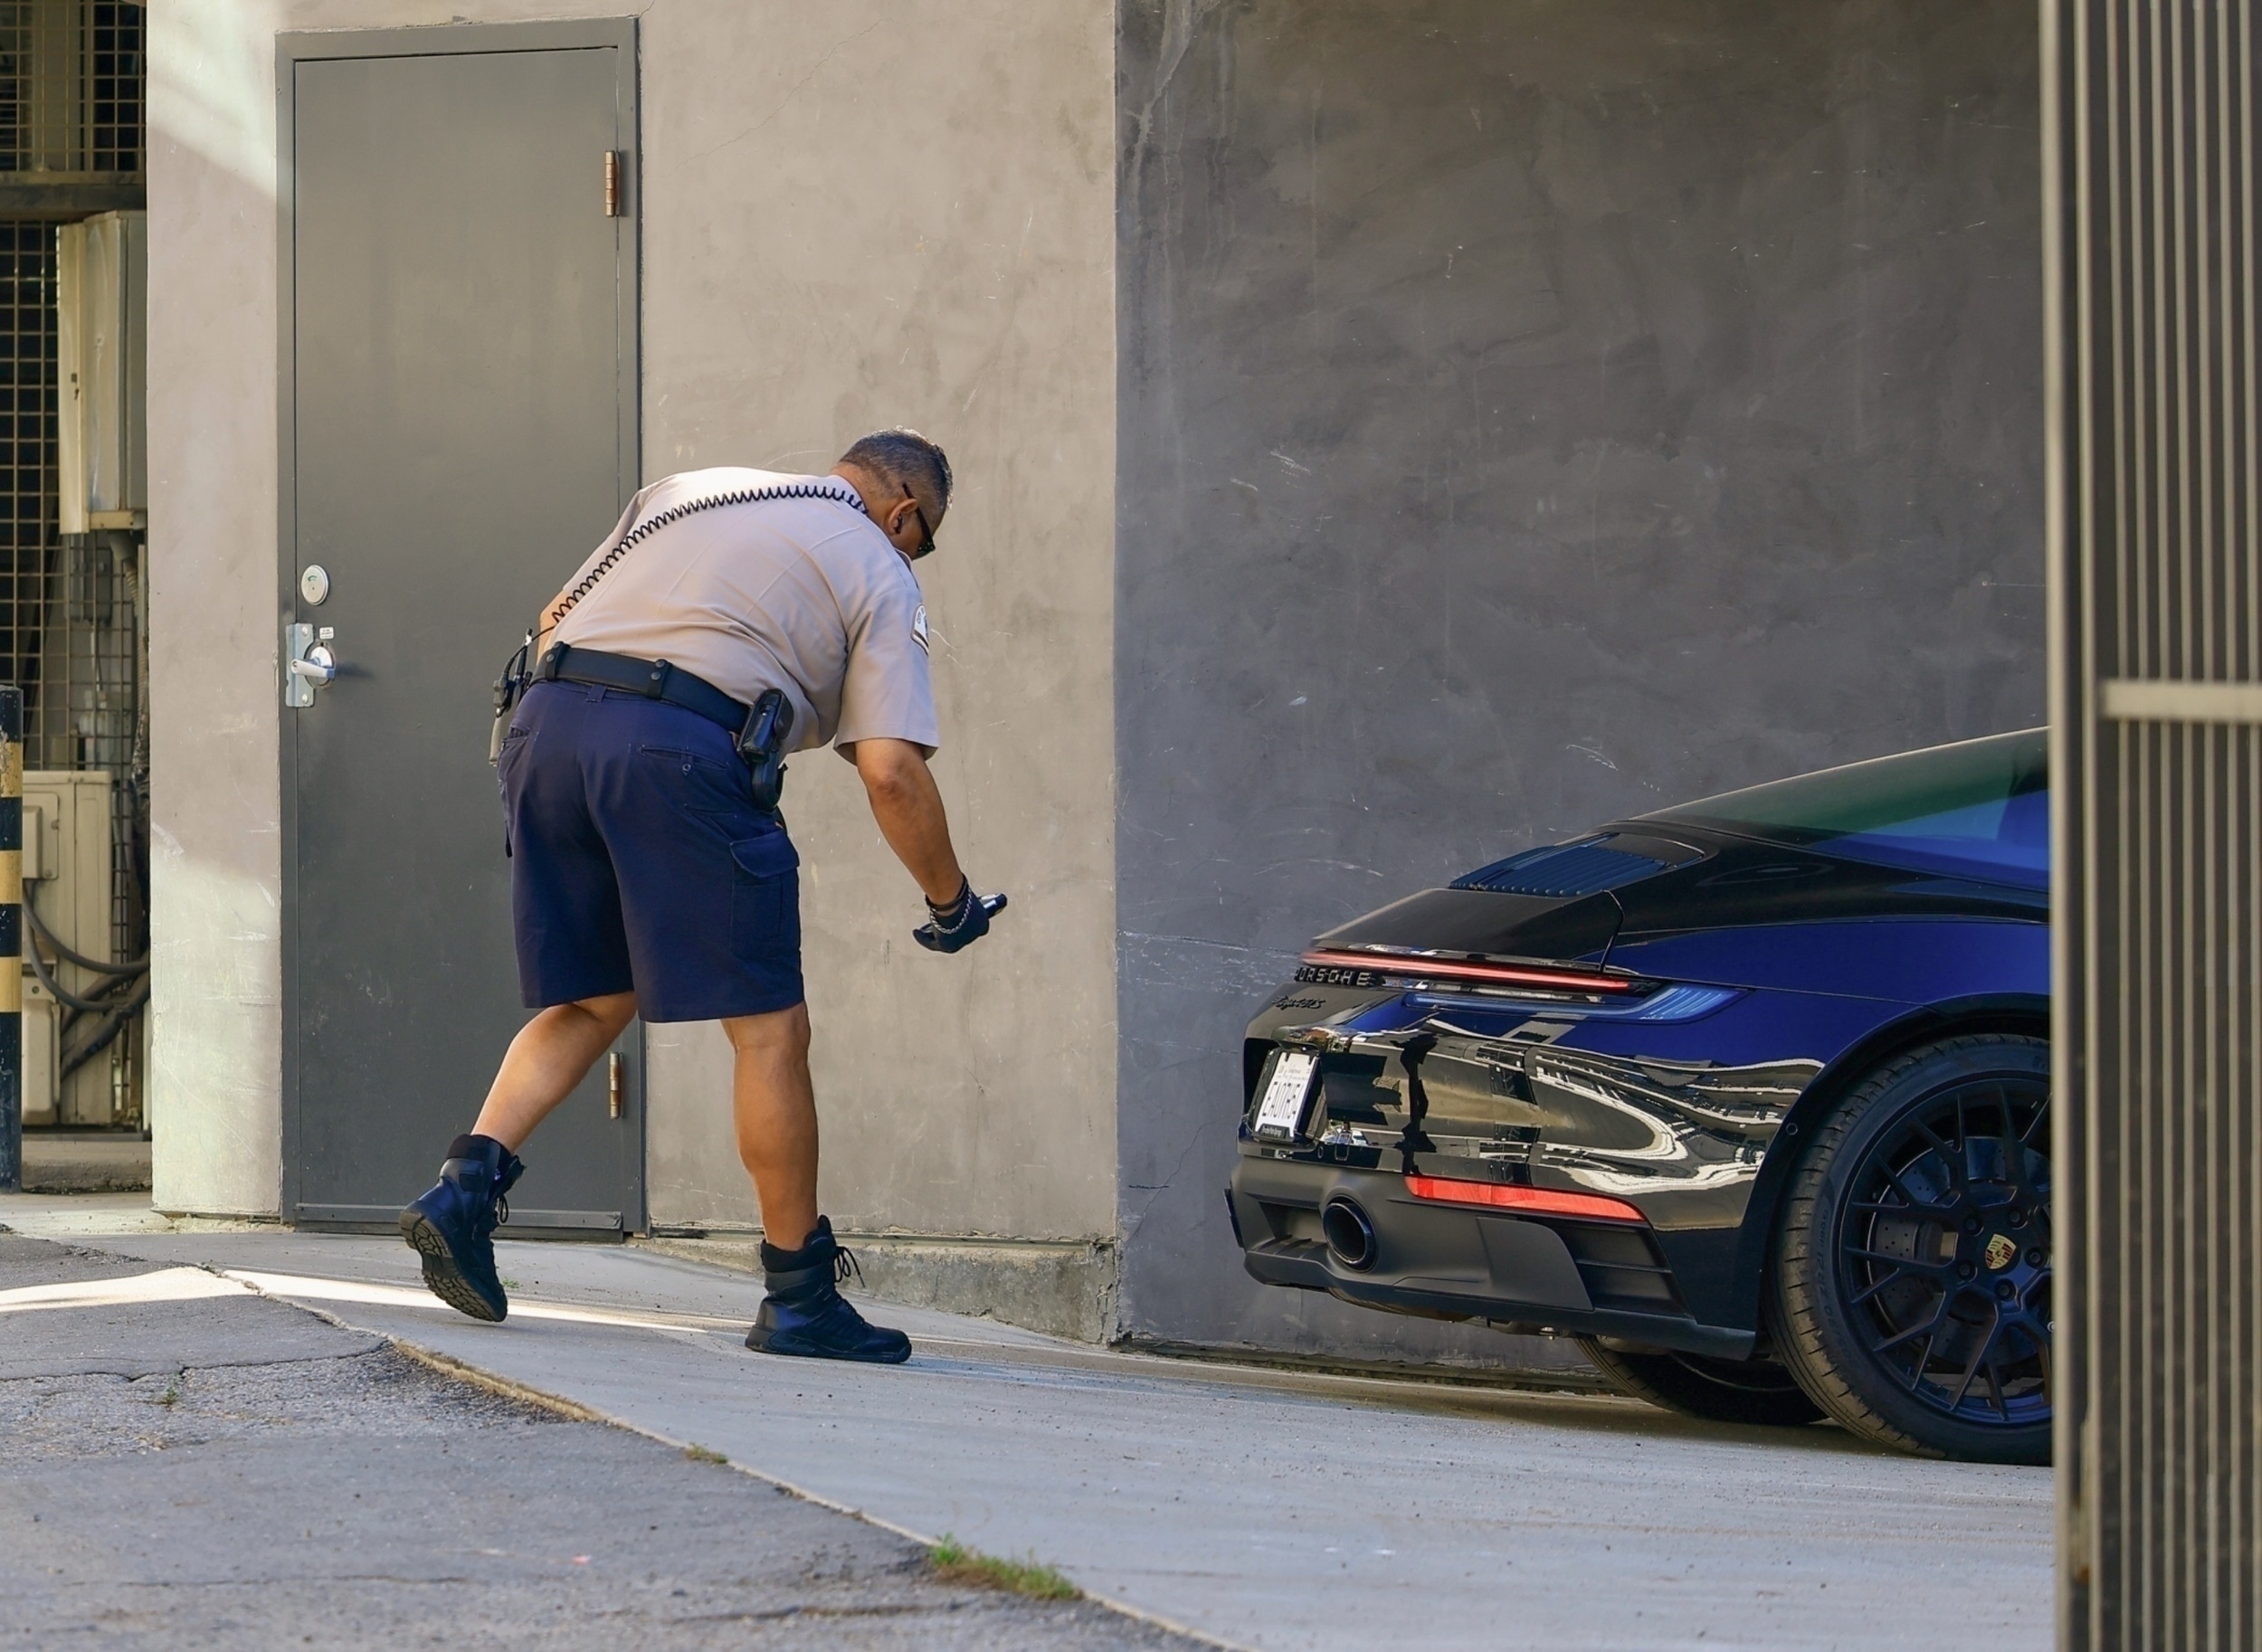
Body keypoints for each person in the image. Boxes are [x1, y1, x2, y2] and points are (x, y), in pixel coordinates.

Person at [398, 429, 1001, 1363]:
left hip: (547, 727)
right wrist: (950, 900)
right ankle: (799, 1295)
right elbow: (890, 771)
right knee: (769, 1029)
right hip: (676, 748)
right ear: (906, 514)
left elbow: (555, 615)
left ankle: (463, 1188)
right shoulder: (880, 567)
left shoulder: (689, 492)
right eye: (922, 542)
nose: (913, 556)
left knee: (594, 995)